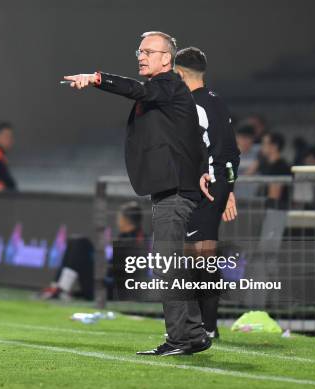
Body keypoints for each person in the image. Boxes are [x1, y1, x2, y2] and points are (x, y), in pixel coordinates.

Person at [64, 31, 211, 356]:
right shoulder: (168, 91)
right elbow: (193, 134)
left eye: (148, 51)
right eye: (139, 51)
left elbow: (138, 90)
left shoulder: (167, 84)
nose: (141, 56)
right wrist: (202, 168)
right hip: (171, 188)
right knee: (171, 262)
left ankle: (183, 338)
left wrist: (97, 78)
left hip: (175, 190)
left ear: (166, 59)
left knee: (167, 262)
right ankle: (192, 334)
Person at [175, 47, 240, 340]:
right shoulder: (217, 101)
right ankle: (205, 325)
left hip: (204, 187)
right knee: (202, 256)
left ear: (178, 73)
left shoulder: (191, 105)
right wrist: (229, 189)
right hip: (218, 184)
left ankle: (205, 326)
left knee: (197, 258)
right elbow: (232, 152)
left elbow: (195, 151)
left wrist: (217, 184)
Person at [258, 132, 291, 209]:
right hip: (264, 210)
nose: (262, 147)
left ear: (274, 146)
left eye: (264, 143)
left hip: (276, 210)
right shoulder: (264, 165)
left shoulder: (281, 166)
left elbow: (274, 195)